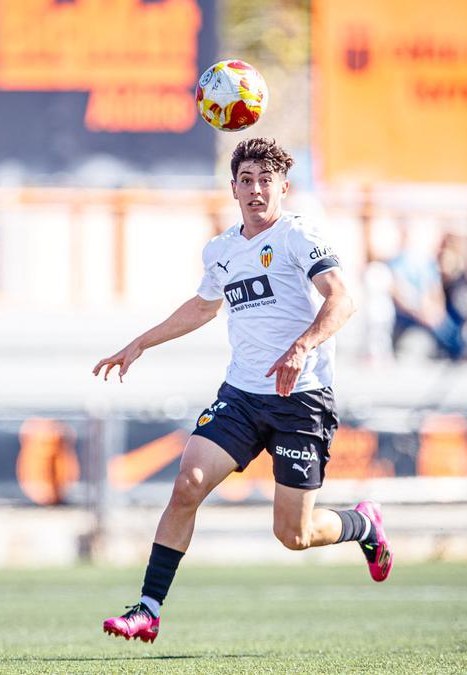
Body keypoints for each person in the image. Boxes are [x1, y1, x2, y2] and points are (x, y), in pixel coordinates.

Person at [92, 138, 392, 644]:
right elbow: (202, 307)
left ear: (283, 188)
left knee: (293, 536)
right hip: (242, 397)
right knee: (187, 482)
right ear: (233, 188)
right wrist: (140, 343)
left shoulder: (299, 236)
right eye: (247, 181)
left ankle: (362, 524)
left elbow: (343, 300)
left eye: (265, 181)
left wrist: (301, 348)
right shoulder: (222, 249)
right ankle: (148, 608)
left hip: (302, 399)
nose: (256, 191)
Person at [388, 227, 467, 361]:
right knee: (443, 329)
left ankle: (460, 348)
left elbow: (434, 289)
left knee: (446, 323)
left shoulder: (426, 262)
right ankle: (460, 350)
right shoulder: (395, 263)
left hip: (427, 309)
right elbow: (398, 295)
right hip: (409, 313)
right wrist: (419, 313)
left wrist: (437, 310)